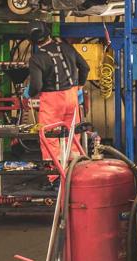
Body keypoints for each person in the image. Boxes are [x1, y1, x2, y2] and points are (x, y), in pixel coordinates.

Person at [25, 21, 89, 185]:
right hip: (72, 97)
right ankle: (75, 175)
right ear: (48, 33)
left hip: (52, 101)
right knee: (72, 135)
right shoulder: (66, 47)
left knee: (49, 138)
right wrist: (79, 85)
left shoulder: (37, 58)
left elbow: (37, 86)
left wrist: (29, 93)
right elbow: (85, 67)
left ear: (32, 41)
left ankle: (55, 179)